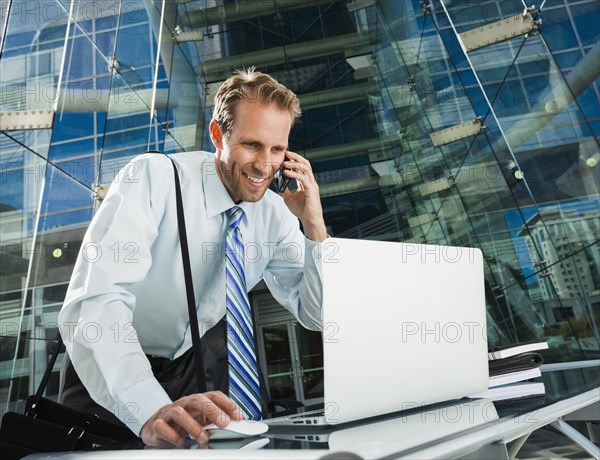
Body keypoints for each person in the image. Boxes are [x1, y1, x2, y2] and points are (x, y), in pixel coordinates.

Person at [58, 68, 327, 447]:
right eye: (252, 145)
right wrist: (147, 406)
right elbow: (99, 298)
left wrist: (314, 227)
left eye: (277, 149)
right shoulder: (153, 178)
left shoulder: (275, 215)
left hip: (192, 366)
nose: (265, 165)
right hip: (111, 364)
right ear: (218, 135)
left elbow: (316, 314)